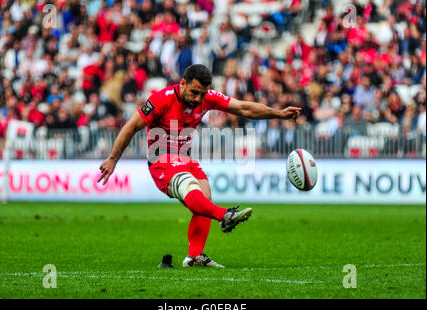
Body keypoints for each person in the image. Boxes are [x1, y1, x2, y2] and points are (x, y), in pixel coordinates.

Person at [98, 64, 301, 267]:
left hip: (185, 159)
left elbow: (243, 108)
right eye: (194, 92)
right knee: (190, 188)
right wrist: (113, 159)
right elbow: (132, 126)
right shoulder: (162, 98)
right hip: (161, 161)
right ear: (183, 83)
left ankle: (194, 256)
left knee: (204, 198)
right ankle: (225, 215)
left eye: (202, 94)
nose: (198, 99)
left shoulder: (208, 97)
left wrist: (278, 114)